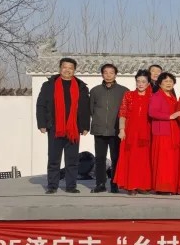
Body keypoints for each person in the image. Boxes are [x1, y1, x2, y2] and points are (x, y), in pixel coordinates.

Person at [36, 57, 91, 194]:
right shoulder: (49, 85)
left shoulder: (81, 86)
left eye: (70, 68)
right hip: (55, 127)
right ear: (60, 68)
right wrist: (42, 123)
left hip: (73, 128)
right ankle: (52, 186)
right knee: (54, 159)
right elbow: (41, 105)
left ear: (74, 70)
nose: (67, 70)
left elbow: (85, 108)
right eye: (65, 67)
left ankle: (71, 186)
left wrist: (85, 126)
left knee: (72, 160)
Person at [89, 62, 127, 193]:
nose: (108, 75)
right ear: (102, 74)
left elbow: (126, 111)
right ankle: (100, 183)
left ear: (115, 74)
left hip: (116, 130)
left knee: (116, 158)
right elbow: (91, 109)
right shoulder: (95, 91)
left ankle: (115, 183)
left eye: (111, 72)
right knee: (100, 158)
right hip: (99, 129)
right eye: (105, 72)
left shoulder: (123, 91)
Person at [114, 70, 153, 195]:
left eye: (143, 82)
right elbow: (122, 113)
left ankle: (142, 185)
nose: (140, 84)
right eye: (138, 81)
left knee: (144, 159)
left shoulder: (152, 97)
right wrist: (121, 130)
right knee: (130, 158)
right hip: (130, 131)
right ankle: (130, 186)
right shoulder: (128, 95)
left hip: (146, 132)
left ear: (148, 83)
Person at [149, 73, 180, 194]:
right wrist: (170, 116)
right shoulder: (157, 96)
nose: (168, 83)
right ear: (159, 84)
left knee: (172, 160)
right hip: (162, 132)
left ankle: (171, 186)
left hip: (173, 131)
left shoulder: (172, 96)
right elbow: (152, 112)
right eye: (165, 81)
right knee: (163, 161)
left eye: (171, 81)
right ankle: (162, 187)